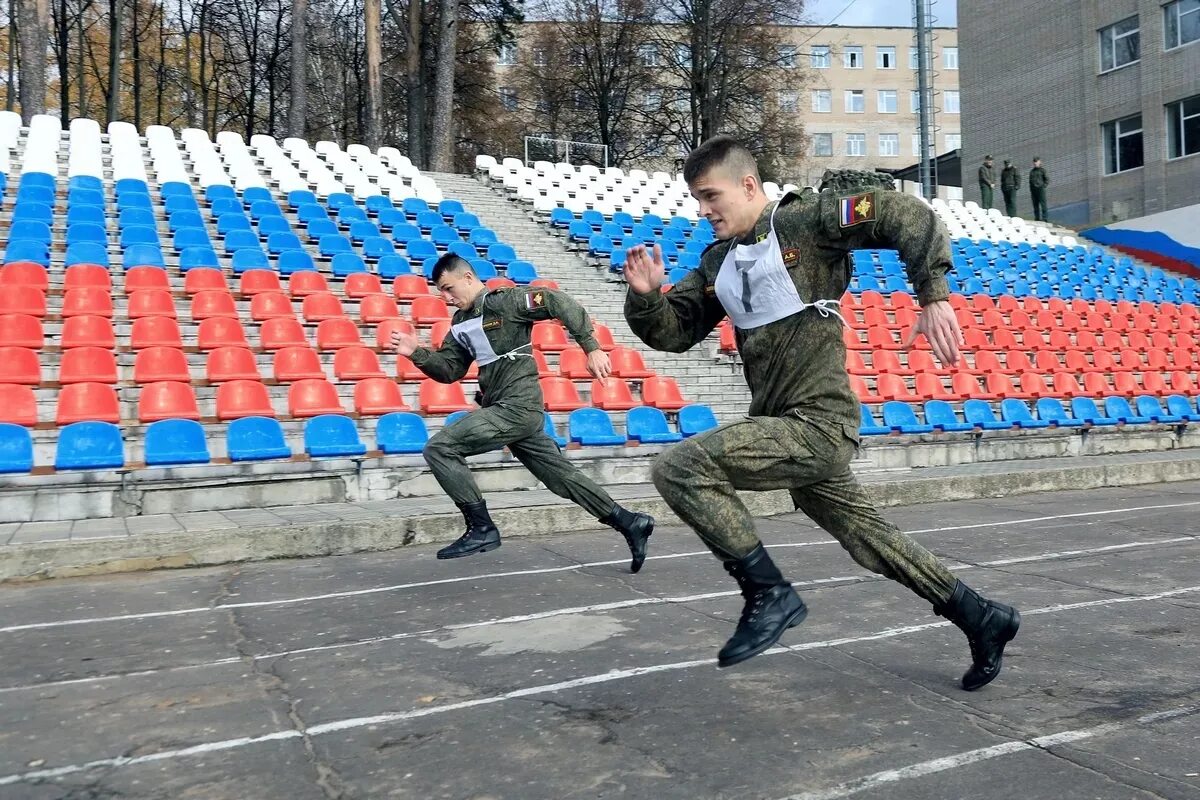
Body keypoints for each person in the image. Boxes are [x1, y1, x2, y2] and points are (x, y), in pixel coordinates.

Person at [622, 136, 1020, 690]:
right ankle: (983, 618)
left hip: (817, 424)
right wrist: (646, 296)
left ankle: (768, 592)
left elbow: (905, 213)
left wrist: (932, 294)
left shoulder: (808, 221)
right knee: (873, 545)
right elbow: (674, 330)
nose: (703, 210)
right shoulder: (718, 261)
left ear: (747, 186)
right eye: (696, 200)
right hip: (784, 426)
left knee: (679, 467)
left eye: (711, 196)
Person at [391, 253, 654, 569]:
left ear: (468, 278)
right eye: (441, 293)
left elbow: (558, 302)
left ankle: (482, 527)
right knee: (562, 479)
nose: (446, 298)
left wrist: (591, 347)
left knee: (440, 447)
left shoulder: (508, 301)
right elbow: (449, 370)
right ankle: (630, 522)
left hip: (517, 407)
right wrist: (415, 353)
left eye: (449, 288)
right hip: (506, 410)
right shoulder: (460, 324)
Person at [1029, 158, 1049, 222]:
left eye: (1036, 162)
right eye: (1034, 162)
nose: (1035, 163)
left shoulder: (1042, 170)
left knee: (1043, 204)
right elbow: (1030, 181)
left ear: (1039, 162)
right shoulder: (1032, 171)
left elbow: (1047, 179)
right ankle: (1037, 218)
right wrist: (1031, 190)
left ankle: (1045, 218)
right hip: (1034, 190)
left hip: (1040, 189)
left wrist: (1043, 186)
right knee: (1035, 205)